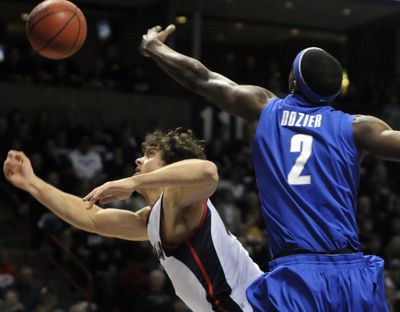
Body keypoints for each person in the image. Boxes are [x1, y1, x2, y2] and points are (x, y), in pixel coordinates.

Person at [137, 24, 392, 311]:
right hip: (353, 274)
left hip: (299, 276)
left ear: (293, 82)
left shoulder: (265, 107)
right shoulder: (358, 127)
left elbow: (201, 78)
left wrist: (155, 47)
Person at [3, 128, 262, 312]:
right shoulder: (151, 219)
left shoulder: (181, 198)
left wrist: (132, 182)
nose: (139, 159)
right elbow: (91, 218)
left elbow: (208, 171)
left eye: (150, 155)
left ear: (171, 167)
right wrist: (32, 183)